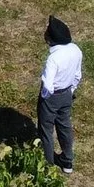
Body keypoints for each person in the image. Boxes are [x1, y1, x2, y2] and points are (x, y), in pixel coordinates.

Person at [38, 16, 82, 174]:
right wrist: (71, 90)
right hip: (67, 94)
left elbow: (48, 84)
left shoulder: (53, 59)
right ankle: (67, 161)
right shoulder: (76, 50)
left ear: (51, 38)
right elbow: (77, 75)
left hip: (52, 97)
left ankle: (47, 164)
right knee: (64, 126)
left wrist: (44, 97)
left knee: (46, 129)